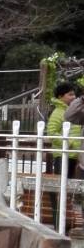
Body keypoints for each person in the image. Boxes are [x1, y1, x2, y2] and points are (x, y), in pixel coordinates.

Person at [46, 78, 83, 229]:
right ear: (61, 97)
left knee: (73, 188)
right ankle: (58, 223)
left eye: (74, 94)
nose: (73, 97)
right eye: (70, 95)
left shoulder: (76, 111)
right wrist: (70, 143)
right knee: (61, 188)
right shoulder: (58, 113)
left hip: (75, 156)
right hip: (63, 155)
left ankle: (69, 220)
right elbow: (51, 132)